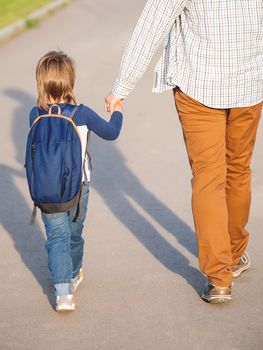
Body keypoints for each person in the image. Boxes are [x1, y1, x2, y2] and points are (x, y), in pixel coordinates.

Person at [105, 0, 262, 303]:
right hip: (250, 85)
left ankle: (219, 279)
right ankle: (233, 252)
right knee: (238, 170)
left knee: (208, 178)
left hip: (199, 86)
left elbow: (150, 27)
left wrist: (121, 88)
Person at [29, 51, 123, 311]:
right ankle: (72, 274)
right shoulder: (81, 114)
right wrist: (117, 111)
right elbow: (112, 132)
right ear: (70, 81)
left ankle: (63, 294)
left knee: (56, 237)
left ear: (41, 82)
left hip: (46, 190)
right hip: (78, 188)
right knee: (74, 234)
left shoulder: (34, 114)